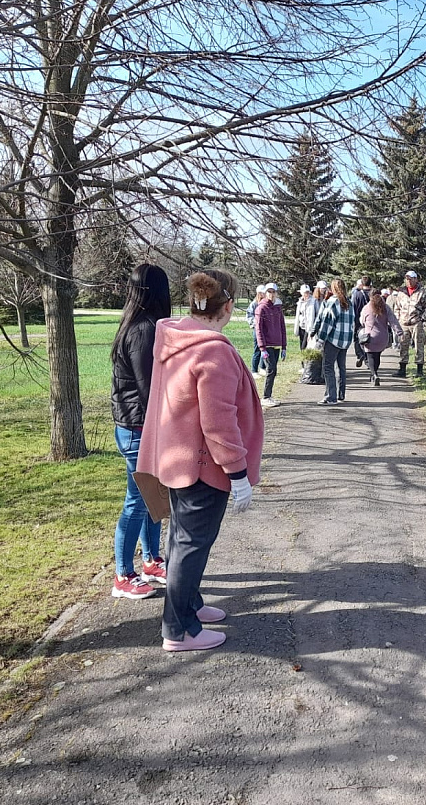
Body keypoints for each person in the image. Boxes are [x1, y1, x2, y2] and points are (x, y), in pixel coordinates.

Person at [134, 269, 264, 652]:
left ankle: (189, 605)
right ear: (228, 306)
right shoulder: (212, 350)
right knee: (191, 545)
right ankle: (179, 631)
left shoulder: (175, 337)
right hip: (203, 467)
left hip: (177, 460)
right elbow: (218, 422)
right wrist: (237, 472)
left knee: (182, 541)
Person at [109, 263, 171, 600]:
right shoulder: (144, 330)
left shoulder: (138, 325)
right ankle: (123, 575)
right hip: (138, 428)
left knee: (153, 497)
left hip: (139, 425)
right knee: (137, 501)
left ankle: (151, 560)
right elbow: (151, 389)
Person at [311, 278, 354, 405]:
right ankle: (341, 394)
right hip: (345, 340)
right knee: (341, 367)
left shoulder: (333, 302)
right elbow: (352, 322)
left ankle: (331, 396)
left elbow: (327, 323)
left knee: (328, 367)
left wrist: (320, 340)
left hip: (333, 340)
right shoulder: (349, 303)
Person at [392, 269, 426, 377]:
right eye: (407, 279)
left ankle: (419, 370)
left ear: (415, 279)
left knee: (419, 345)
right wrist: (398, 319)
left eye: (410, 279)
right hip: (403, 323)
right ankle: (402, 369)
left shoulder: (421, 292)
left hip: (416, 323)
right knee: (403, 345)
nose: (408, 281)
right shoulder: (401, 293)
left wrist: (422, 319)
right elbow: (397, 307)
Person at [359, 288, 402, 386]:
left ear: (370, 297)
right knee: (377, 356)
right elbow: (393, 321)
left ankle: (374, 374)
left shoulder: (367, 308)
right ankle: (374, 374)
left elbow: (362, 321)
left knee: (370, 356)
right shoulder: (385, 307)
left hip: (370, 338)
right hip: (383, 338)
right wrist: (399, 332)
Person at [255, 282, 287, 407]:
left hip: (276, 344)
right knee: (271, 369)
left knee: (274, 370)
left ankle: (269, 395)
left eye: (273, 292)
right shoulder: (261, 308)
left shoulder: (278, 308)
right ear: (265, 293)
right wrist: (262, 348)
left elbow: (282, 327)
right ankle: (266, 397)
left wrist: (284, 346)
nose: (271, 294)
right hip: (267, 345)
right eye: (269, 292)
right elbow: (258, 329)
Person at [350, 276, 371, 368]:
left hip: (359, 320)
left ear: (362, 284)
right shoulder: (374, 294)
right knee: (369, 340)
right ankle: (368, 359)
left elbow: (353, 307)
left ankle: (360, 354)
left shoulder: (357, 294)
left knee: (357, 339)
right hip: (371, 321)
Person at [246, 284, 267, 377]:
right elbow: (249, 316)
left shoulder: (266, 303)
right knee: (257, 349)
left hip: (265, 329)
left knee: (264, 348)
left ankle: (262, 367)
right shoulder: (254, 304)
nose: (264, 294)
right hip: (257, 329)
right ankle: (254, 370)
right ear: (259, 293)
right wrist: (255, 323)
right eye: (262, 293)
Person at [293, 284, 317, 350]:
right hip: (301, 326)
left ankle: (304, 356)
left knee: (305, 345)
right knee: (301, 346)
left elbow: (317, 314)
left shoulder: (314, 301)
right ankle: (303, 356)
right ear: (301, 293)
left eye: (307, 292)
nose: (306, 294)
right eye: (305, 292)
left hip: (309, 327)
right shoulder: (299, 302)